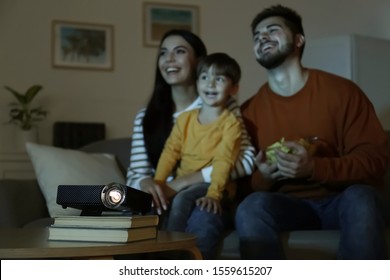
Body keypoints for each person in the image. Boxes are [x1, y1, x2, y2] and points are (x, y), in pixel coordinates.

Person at [236, 4, 388, 259]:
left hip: (342, 200)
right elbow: (240, 188)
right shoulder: (248, 112)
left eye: (272, 30)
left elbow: (375, 161)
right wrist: (265, 177)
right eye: (257, 36)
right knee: (251, 208)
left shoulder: (342, 93)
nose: (262, 37)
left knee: (361, 199)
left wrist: (314, 168)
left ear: (298, 40)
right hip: (287, 208)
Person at [126, 29, 255, 259]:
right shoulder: (146, 116)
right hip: (161, 198)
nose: (169, 59)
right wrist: (149, 183)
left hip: (208, 193)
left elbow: (245, 161)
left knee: (201, 217)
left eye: (180, 51)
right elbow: (136, 174)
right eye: (163, 53)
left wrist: (180, 183)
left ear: (199, 61)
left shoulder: (222, 106)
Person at [154, 52, 243, 232]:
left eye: (219, 79)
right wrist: (159, 184)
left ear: (233, 89)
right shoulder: (185, 119)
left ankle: (171, 253)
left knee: (182, 199)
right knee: (154, 204)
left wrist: (213, 195)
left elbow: (223, 161)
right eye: (204, 77)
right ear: (197, 84)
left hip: (217, 187)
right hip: (184, 182)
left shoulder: (231, 124)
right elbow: (170, 152)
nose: (210, 84)